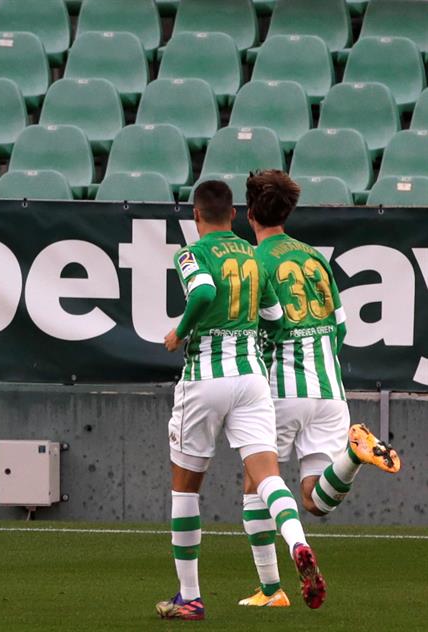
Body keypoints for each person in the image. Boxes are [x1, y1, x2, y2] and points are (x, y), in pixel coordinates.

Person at [156, 181, 325, 621]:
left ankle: (189, 596)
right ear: (233, 214)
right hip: (252, 379)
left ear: (196, 216)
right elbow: (275, 317)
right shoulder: (254, 255)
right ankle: (298, 543)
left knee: (186, 489)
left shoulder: (191, 254)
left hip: (205, 379)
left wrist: (180, 331)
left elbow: (204, 293)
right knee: (268, 478)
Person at [236, 170, 401, 608]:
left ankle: (271, 590)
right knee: (314, 499)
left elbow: (258, 328)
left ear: (249, 214)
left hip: (280, 390)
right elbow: (342, 327)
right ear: (287, 213)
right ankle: (353, 455)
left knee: (256, 481)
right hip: (330, 390)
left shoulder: (256, 263)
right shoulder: (314, 258)